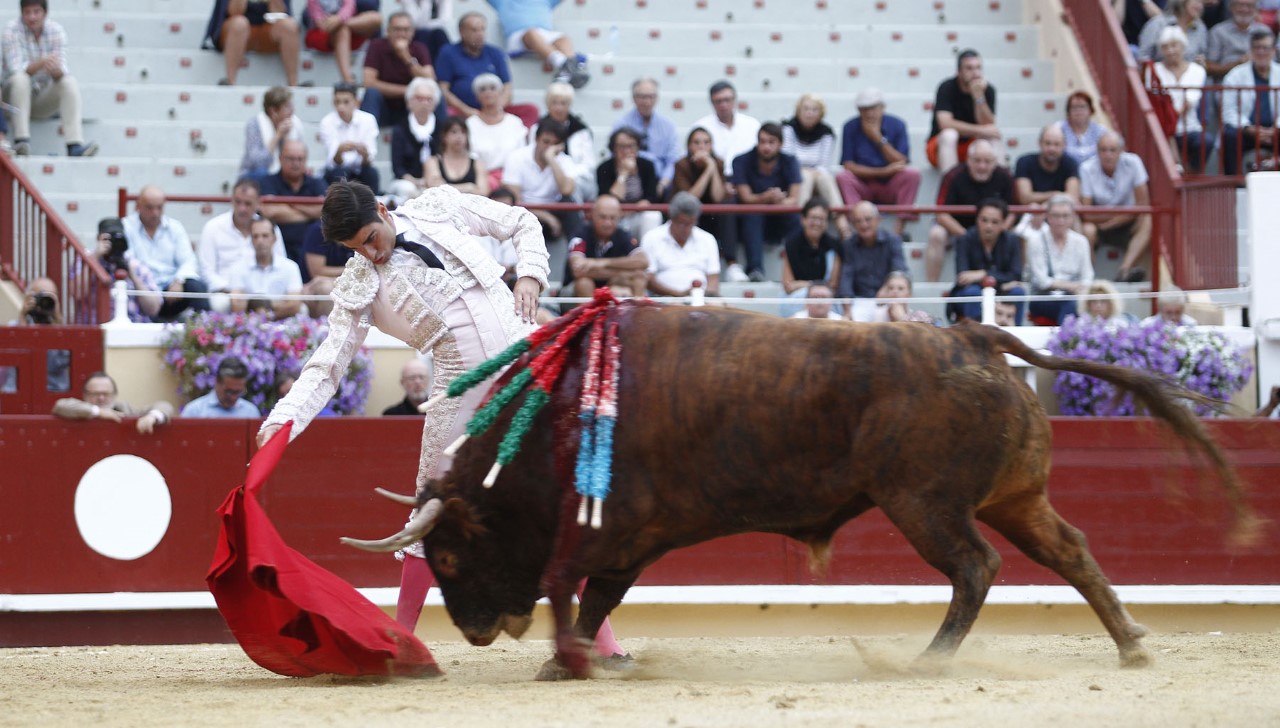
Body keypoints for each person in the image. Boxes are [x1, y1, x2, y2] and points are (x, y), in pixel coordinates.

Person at [257, 181, 625, 659]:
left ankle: (604, 642)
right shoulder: (359, 283)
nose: (371, 254)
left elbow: (521, 222)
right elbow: (328, 365)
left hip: (527, 364)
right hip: (458, 394)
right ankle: (401, 639)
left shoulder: (438, 207)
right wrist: (283, 419)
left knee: (563, 498)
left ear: (384, 211)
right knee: (428, 516)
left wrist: (531, 274)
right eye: (356, 250)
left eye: (371, 238)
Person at [1, 0, 97, 157]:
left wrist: (56, 70)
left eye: (36, 12)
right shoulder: (11, 30)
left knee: (69, 82)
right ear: (21, 13)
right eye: (27, 12)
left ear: (45, 13)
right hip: (12, 102)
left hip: (40, 99)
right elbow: (15, 68)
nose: (32, 17)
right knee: (20, 79)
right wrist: (42, 63)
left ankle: (74, 144)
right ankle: (21, 140)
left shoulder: (56, 30)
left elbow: (62, 70)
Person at [836, 87, 922, 238]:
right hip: (863, 186)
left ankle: (898, 231)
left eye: (873, 108)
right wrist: (884, 171)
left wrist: (878, 139)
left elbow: (902, 161)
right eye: (864, 109)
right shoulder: (850, 127)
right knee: (843, 177)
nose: (869, 113)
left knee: (912, 174)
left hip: (889, 185)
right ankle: (858, 229)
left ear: (882, 107)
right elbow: (848, 165)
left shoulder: (897, 125)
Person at [924, 139, 1015, 282]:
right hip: (958, 231)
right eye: (977, 160)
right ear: (968, 160)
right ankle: (932, 286)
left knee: (1018, 235)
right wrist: (968, 237)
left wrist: (999, 230)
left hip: (995, 231)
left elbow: (1014, 211)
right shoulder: (953, 175)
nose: (982, 166)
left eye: (987, 161)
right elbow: (941, 213)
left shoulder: (1005, 176)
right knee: (936, 234)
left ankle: (1015, 280)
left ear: (995, 161)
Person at [123, 185, 210, 322]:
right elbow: (128, 262)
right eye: (150, 207)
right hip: (141, 290)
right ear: (138, 206)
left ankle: (205, 333)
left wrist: (178, 281)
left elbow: (188, 261)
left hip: (170, 291)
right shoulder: (126, 227)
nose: (155, 213)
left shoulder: (175, 227)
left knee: (196, 286)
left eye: (159, 207)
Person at [732, 122, 803, 282]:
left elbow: (794, 199)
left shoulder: (790, 161)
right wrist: (767, 197)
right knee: (753, 213)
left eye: (771, 142)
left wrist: (778, 201)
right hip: (750, 219)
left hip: (779, 215)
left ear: (781, 144)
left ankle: (798, 272)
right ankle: (755, 269)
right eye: (762, 141)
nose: (766, 147)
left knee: (796, 219)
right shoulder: (741, 160)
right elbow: (746, 198)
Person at [1079, 131, 1153, 283]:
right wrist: (1123, 213)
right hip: (1099, 225)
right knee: (1087, 229)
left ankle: (1124, 271)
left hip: (1121, 223)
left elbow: (1142, 205)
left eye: (1112, 150)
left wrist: (1110, 222)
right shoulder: (1086, 168)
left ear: (1121, 151)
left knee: (1148, 220)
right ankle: (1088, 278)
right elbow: (1087, 213)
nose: (1108, 155)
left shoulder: (1134, 162)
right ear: (1097, 151)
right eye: (1103, 150)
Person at [199, 178, 287, 298]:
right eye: (238, 202)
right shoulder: (213, 227)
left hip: (266, 293)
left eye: (248, 203)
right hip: (225, 293)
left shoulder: (270, 228)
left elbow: (281, 264)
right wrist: (233, 291)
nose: (242, 209)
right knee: (219, 303)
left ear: (258, 203)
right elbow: (206, 271)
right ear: (231, 200)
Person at [949, 198, 1027, 325]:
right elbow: (963, 278)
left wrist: (984, 274)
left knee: (1018, 292)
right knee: (972, 292)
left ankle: (1015, 336)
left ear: (1003, 223)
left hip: (1001, 292)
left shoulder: (1012, 240)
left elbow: (1016, 275)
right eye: (984, 220)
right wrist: (1001, 281)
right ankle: (976, 339)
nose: (988, 226)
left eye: (994, 222)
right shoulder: (964, 239)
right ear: (977, 220)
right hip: (971, 293)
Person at [260, 138, 328, 275]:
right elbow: (270, 211)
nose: (296, 163)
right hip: (278, 247)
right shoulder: (267, 182)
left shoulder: (317, 183)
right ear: (280, 158)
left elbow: (326, 210)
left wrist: (288, 204)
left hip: (313, 248)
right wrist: (310, 212)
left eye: (300, 159)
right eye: (290, 159)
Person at [503, 119, 580, 241]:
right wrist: (546, 217)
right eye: (546, 142)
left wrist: (551, 159)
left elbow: (566, 190)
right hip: (524, 210)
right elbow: (514, 200)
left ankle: (576, 253)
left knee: (570, 204)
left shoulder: (565, 160)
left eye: (555, 144)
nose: (549, 147)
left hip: (554, 208)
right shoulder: (516, 157)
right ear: (536, 139)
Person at [927, 49, 1001, 172]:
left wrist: (979, 96)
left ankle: (1000, 187)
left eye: (978, 68)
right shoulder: (947, 87)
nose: (975, 73)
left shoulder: (988, 90)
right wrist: (981, 130)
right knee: (949, 135)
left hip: (972, 147)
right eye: (969, 68)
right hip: (940, 147)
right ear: (959, 72)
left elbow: (988, 125)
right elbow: (945, 124)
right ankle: (949, 186)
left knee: (994, 139)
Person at [485, 0, 588, 88]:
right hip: (518, 36)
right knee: (531, 33)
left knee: (563, 39)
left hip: (543, 34)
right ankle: (565, 64)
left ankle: (567, 71)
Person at [1151, 26, 1212, 173]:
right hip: (1160, 126)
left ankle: (1191, 174)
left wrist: (1171, 121)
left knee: (1206, 142)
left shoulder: (1197, 71)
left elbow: (1190, 100)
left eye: (1174, 46)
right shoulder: (1155, 69)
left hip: (1189, 126)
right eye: (1165, 47)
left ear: (1183, 47)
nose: (1170, 51)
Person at [1026, 195, 1094, 325]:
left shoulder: (1081, 241)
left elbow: (1087, 276)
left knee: (1084, 302)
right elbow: (1042, 282)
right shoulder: (1036, 241)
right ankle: (1066, 341)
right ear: (1047, 217)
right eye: (1056, 216)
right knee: (1071, 305)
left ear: (1073, 217)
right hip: (1043, 298)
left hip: (1075, 296)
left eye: (1065, 216)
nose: (1060, 220)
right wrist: (1072, 286)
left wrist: (1080, 289)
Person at [361, 11, 435, 128]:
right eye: (397, 29)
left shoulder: (420, 48)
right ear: (388, 31)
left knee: (434, 97)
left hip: (411, 107)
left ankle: (438, 141)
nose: (401, 34)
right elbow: (369, 83)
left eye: (405, 30)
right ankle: (364, 140)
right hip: (384, 106)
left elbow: (430, 82)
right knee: (372, 93)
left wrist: (406, 57)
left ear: (412, 32)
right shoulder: (376, 46)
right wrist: (408, 91)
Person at [1221, 28, 1280, 175]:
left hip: (1276, 130)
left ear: (1273, 51)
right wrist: (1249, 128)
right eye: (1257, 48)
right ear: (1251, 51)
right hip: (1247, 130)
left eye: (1265, 48)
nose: (1261, 52)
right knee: (1230, 135)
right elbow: (1228, 111)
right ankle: (1234, 185)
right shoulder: (1235, 75)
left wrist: (1275, 129)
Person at [834, 201, 907, 320]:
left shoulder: (893, 240)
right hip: (859, 300)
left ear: (878, 219)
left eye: (868, 219)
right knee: (851, 324)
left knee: (898, 315)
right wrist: (847, 310)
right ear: (853, 224)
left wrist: (886, 288)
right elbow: (846, 278)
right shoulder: (849, 244)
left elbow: (900, 270)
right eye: (858, 221)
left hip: (888, 298)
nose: (864, 224)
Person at [671, 126, 732, 267]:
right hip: (687, 214)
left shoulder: (718, 163)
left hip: (712, 216)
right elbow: (688, 200)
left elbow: (718, 197)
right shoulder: (681, 165)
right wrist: (708, 170)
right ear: (688, 146)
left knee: (728, 207)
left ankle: (731, 263)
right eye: (697, 143)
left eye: (706, 142)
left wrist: (712, 167)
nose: (701, 147)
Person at [565, 194, 648, 298]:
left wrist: (599, 263)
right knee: (584, 283)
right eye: (603, 217)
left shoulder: (623, 234)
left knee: (639, 277)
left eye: (612, 218)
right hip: (572, 291)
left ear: (619, 217)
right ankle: (590, 314)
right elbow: (578, 269)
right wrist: (622, 271)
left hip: (611, 284)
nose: (608, 223)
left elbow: (643, 261)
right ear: (592, 215)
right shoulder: (580, 233)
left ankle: (637, 314)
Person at [204, 0, 301, 87]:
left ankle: (293, 84)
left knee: (289, 26)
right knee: (239, 24)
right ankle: (230, 81)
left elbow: (280, 14)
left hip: (266, 31)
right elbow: (234, 11)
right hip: (235, 32)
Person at [641, 192, 720, 297]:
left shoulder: (707, 239)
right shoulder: (652, 238)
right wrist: (678, 295)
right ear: (672, 218)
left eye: (691, 224)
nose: (687, 229)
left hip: (700, 301)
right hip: (662, 302)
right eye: (682, 224)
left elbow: (713, 280)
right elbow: (648, 280)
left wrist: (703, 295)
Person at [434, 12, 513, 117]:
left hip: (495, 111)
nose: (480, 34)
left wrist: (497, 108)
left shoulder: (496, 53)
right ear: (462, 32)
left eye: (482, 29)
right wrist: (465, 110)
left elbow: (507, 86)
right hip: (462, 112)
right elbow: (443, 89)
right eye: (474, 30)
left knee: (530, 110)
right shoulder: (448, 53)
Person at [86, 217, 162, 322]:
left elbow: (153, 309)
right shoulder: (85, 260)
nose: (112, 244)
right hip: (96, 329)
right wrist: (95, 259)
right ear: (98, 238)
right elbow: (75, 294)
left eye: (117, 239)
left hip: (133, 330)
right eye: (108, 239)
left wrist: (133, 276)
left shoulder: (137, 266)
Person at [612, 77, 680, 196]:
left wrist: (663, 183)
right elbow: (614, 155)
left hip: (661, 181)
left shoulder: (668, 126)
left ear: (657, 98)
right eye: (642, 97)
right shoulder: (621, 124)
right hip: (631, 177)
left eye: (651, 96)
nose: (647, 101)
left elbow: (672, 160)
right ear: (633, 98)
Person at [781, 93, 843, 218]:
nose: (810, 113)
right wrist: (807, 172)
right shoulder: (788, 128)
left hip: (817, 176)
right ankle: (802, 222)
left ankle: (842, 225)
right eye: (806, 109)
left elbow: (824, 165)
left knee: (825, 178)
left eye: (814, 110)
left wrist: (811, 172)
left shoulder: (826, 133)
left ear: (821, 113)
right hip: (793, 177)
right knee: (805, 176)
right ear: (798, 111)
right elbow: (788, 161)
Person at [52, 371, 174, 434]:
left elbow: (165, 405)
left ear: (115, 395)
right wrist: (99, 412)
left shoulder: (124, 409)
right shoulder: (79, 409)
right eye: (95, 394)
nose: (101, 398)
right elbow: (60, 406)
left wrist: (153, 416)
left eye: (106, 394)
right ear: (85, 395)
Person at [229, 217, 305, 318]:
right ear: (251, 240)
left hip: (282, 325)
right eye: (255, 236)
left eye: (265, 236)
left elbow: (295, 306)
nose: (260, 241)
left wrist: (260, 306)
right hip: (248, 325)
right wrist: (277, 304)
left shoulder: (291, 267)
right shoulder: (238, 267)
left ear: (274, 238)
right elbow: (236, 306)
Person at [597, 127, 662, 239]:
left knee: (652, 216)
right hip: (614, 217)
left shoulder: (647, 166)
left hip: (639, 215)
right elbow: (609, 201)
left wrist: (631, 210)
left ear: (637, 148)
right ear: (614, 148)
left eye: (631, 146)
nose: (627, 151)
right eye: (622, 146)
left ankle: (646, 255)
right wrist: (624, 174)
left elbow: (651, 197)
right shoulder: (604, 168)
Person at [781, 198, 840, 318]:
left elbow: (833, 284)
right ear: (803, 219)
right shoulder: (791, 245)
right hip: (798, 297)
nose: (817, 223)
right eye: (813, 218)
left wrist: (806, 285)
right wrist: (813, 286)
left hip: (825, 296)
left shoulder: (835, 246)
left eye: (821, 219)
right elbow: (789, 285)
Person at [537, 81, 596, 199]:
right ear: (548, 104)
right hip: (543, 178)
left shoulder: (581, 131)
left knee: (571, 188)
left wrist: (566, 176)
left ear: (570, 105)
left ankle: (575, 217)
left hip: (576, 179)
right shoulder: (537, 128)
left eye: (563, 103)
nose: (559, 108)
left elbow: (588, 165)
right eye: (555, 103)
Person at [465, 72, 528, 181]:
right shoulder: (469, 124)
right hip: (481, 180)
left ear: (500, 92)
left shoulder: (515, 122)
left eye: (493, 88)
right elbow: (468, 156)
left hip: (513, 180)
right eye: (482, 89)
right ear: (476, 96)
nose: (488, 92)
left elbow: (522, 155)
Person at [319, 81, 381, 191]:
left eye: (346, 102)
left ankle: (373, 206)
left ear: (356, 102)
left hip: (361, 169)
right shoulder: (327, 122)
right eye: (337, 102)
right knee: (338, 173)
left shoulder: (369, 120)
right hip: (338, 170)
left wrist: (364, 154)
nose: (341, 107)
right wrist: (339, 151)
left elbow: (369, 158)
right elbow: (333, 162)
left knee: (371, 173)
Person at [303, 0, 383, 84]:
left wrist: (339, 19)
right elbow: (319, 22)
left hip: (348, 29)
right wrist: (335, 22)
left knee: (376, 18)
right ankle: (348, 80)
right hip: (322, 34)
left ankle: (342, 25)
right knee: (342, 30)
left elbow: (350, 7)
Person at [692, 80, 761, 177]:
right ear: (712, 102)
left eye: (727, 100)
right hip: (713, 179)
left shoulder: (752, 125)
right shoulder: (701, 127)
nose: (723, 105)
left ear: (734, 100)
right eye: (718, 101)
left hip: (748, 179)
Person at [238, 86, 305, 181]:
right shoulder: (254, 125)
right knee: (262, 174)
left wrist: (286, 138)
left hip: (282, 176)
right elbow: (257, 163)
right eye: (287, 107)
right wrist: (277, 136)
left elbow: (295, 159)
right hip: (253, 174)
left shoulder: (296, 123)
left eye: (291, 106)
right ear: (273, 111)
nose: (292, 111)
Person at [421, 115, 488, 197]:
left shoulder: (477, 163)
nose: (459, 137)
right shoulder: (433, 162)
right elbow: (434, 187)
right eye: (454, 132)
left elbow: (483, 191)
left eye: (463, 132)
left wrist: (447, 187)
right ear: (444, 136)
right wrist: (469, 187)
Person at [1014, 124, 1080, 208]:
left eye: (1056, 144)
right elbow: (1024, 198)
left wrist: (1045, 203)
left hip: (1061, 212)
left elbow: (1072, 197)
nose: (1052, 149)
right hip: (1031, 212)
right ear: (1039, 143)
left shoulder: (1070, 163)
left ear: (1064, 145)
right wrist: (1055, 195)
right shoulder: (1024, 162)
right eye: (1047, 143)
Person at [1206, 0, 1269, 84]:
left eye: (1249, 6)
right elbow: (1209, 67)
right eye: (1240, 5)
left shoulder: (1264, 31)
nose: (1244, 9)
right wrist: (1237, 64)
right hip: (1226, 86)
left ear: (1256, 9)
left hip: (1259, 84)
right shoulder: (1218, 32)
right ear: (1231, 8)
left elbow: (1272, 63)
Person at [300, 220, 353, 317]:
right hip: (314, 284)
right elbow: (317, 272)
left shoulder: (357, 229)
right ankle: (328, 330)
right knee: (326, 288)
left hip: (349, 279)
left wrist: (352, 270)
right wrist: (352, 269)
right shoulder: (318, 231)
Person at [182, 356, 261, 418]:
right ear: (217, 382)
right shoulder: (195, 412)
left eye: (238, 392)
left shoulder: (251, 412)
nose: (233, 397)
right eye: (229, 391)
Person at [1137, 0, 1209, 62]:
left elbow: (1202, 55)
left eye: (1202, 3)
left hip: (1189, 75)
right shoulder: (1158, 24)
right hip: (1157, 74)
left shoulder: (1200, 28)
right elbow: (1143, 56)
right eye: (1197, 1)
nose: (1200, 7)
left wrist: (1201, 61)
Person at [1058, 90, 1108, 165]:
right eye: (1074, 107)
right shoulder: (1058, 129)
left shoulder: (1101, 131)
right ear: (1068, 111)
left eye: (1082, 107)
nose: (1078, 111)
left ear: (1091, 110)